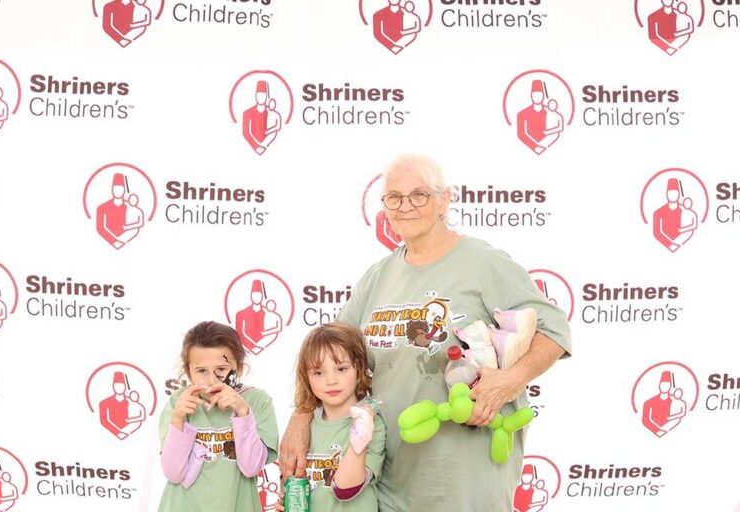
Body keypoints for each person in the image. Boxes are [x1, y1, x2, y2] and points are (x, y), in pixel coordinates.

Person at [279, 155, 572, 511]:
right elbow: (325, 356)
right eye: (394, 197)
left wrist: (510, 380)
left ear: (444, 200)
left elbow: (554, 329)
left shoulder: (482, 262)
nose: (405, 206)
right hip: (394, 475)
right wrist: (300, 416)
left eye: (418, 195)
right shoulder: (378, 277)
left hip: (466, 473)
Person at [158, 321, 278, 511]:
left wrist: (242, 412)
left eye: (221, 370)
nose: (212, 380)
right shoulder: (179, 402)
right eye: (201, 371)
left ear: (238, 368)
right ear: (189, 372)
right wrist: (178, 421)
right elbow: (174, 473)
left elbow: (251, 467)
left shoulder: (257, 401)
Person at [276, 323, 386, 511]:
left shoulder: (372, 423)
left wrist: (360, 436)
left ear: (358, 368)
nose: (331, 381)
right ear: (307, 377)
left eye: (341, 369)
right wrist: (285, 502)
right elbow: (290, 483)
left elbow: (345, 489)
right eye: (318, 373)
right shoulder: (303, 428)